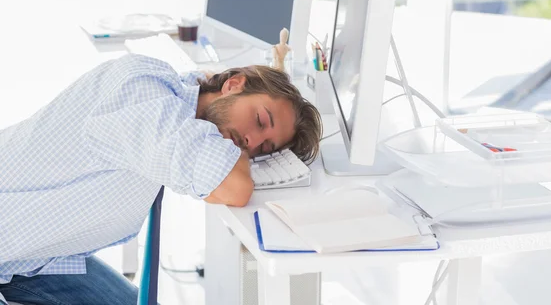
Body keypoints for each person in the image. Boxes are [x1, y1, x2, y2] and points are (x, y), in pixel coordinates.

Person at [0, 54, 322, 305]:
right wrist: (234, 156)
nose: (251, 141)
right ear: (234, 84)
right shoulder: (146, 98)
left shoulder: (182, 109)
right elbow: (233, 188)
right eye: (259, 120)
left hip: (34, 259)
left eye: (265, 147)